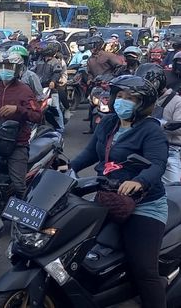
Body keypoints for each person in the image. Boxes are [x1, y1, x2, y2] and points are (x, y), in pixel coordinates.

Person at [70, 75, 168, 307]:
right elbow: (92, 152)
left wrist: (140, 181)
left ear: (142, 104)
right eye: (120, 96)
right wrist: (68, 166)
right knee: (76, 248)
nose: (122, 101)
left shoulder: (150, 130)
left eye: (131, 98)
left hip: (144, 205)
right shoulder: (108, 123)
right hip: (108, 198)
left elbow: (157, 164)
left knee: (144, 270)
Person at [0, 51, 42, 198]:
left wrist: (18, 109)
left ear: (18, 70)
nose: (5, 70)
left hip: (17, 144)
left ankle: (22, 215)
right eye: (3, 66)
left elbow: (37, 116)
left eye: (10, 67)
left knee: (19, 186)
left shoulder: (24, 90)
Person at [138, 63, 181, 184]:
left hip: (171, 149)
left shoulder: (177, 102)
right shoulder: (144, 100)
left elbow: (178, 128)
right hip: (144, 146)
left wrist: (158, 124)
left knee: (173, 187)